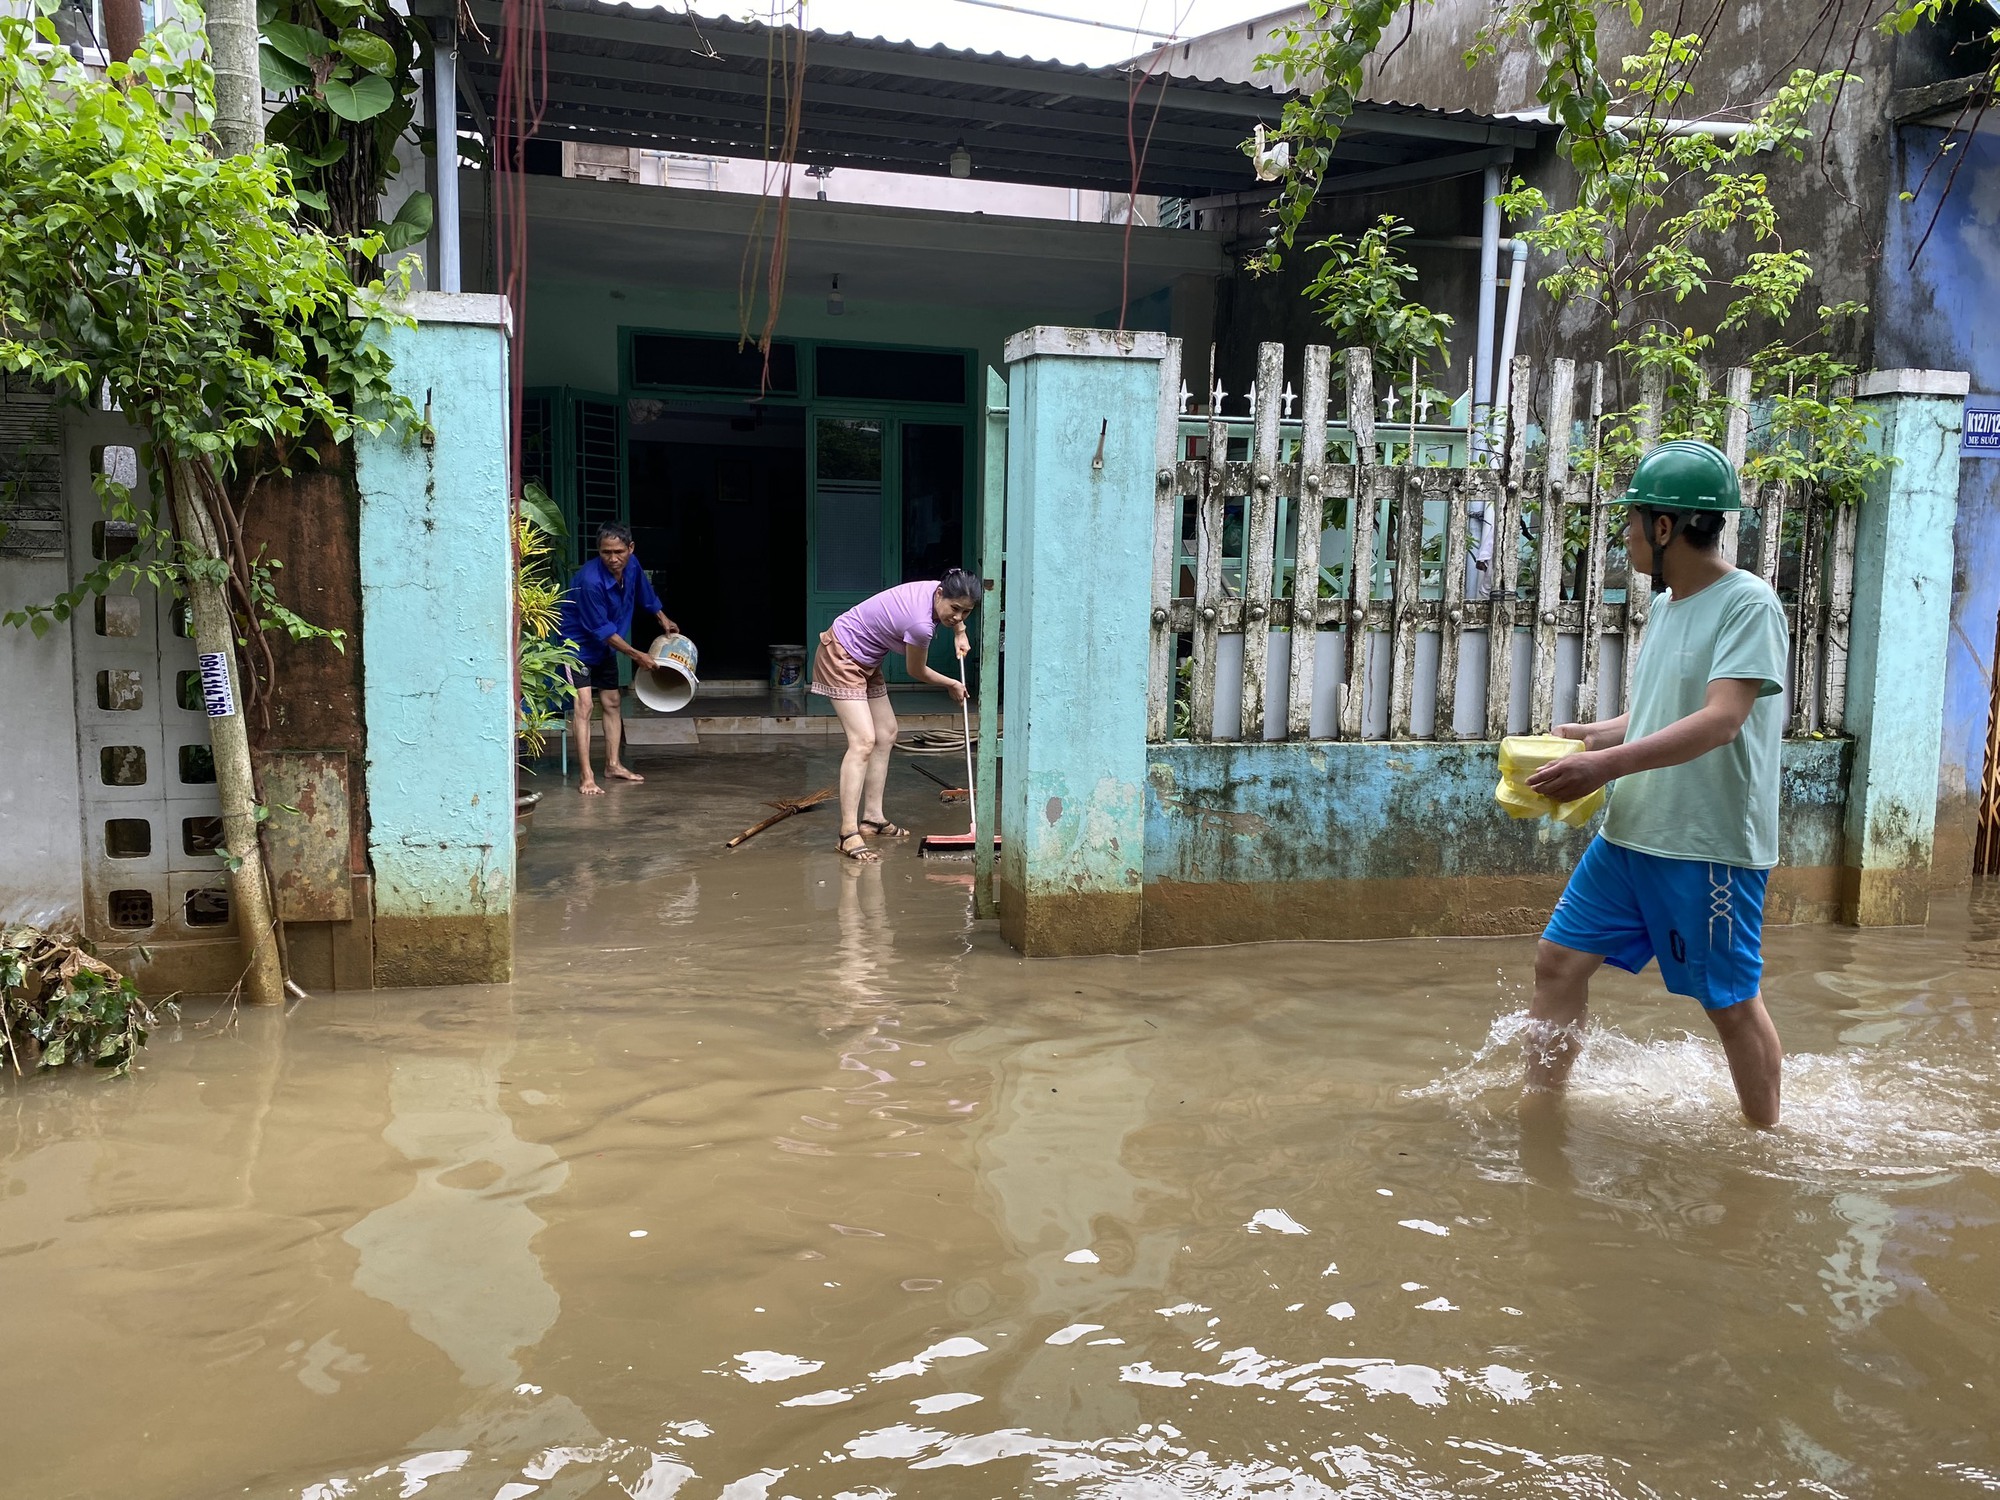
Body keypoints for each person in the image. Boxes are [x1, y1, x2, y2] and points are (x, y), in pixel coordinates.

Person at [1519, 439, 1790, 1127]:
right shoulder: (1669, 607)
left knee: (1728, 1001)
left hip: (1707, 844)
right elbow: (1661, 714)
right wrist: (1592, 737)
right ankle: (1539, 1113)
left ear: (1665, 527)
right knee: (1558, 961)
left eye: (1632, 520)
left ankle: (1765, 1143)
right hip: (1631, 832)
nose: (1627, 536)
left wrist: (1600, 767)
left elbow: (1722, 720)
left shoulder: (1747, 605)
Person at [810, 568, 982, 864]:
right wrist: (952, 683)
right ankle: (847, 833)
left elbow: (956, 613)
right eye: (955, 610)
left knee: (887, 732)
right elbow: (917, 672)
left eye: (966, 613)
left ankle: (873, 819)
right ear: (940, 593)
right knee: (863, 740)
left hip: (868, 658)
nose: (958, 617)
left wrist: (960, 631)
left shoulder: (941, 589)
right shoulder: (920, 626)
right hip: (841, 655)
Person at [558, 522, 678, 796]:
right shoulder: (590, 581)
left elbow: (646, 595)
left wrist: (663, 619)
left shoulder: (632, 565)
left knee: (612, 701)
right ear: (598, 552)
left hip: (605, 646)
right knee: (585, 705)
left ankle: (613, 765)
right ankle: (586, 776)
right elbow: (601, 630)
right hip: (576, 646)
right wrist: (637, 656)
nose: (613, 558)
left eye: (619, 551)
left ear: (630, 549)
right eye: (605, 552)